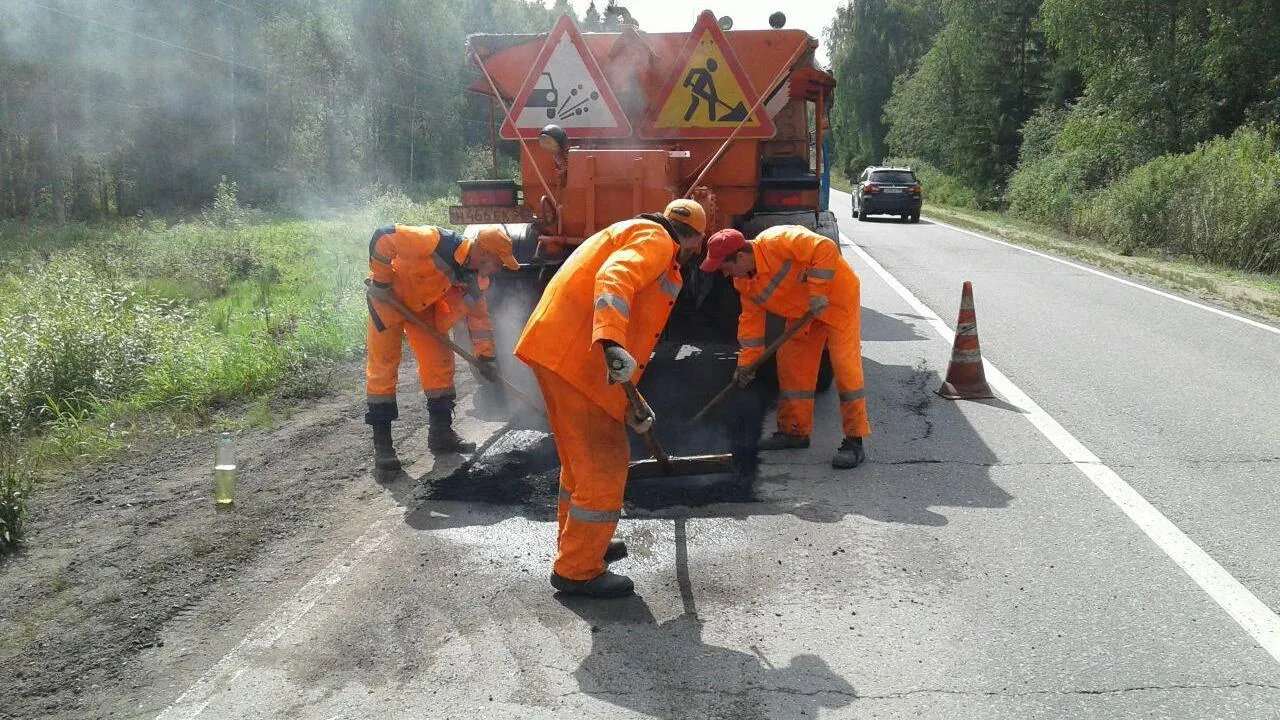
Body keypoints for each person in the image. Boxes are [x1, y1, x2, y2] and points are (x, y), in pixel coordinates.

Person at [514, 199, 707, 598]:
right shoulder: (656, 241)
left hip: (561, 351)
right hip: (578, 356)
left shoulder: (633, 230)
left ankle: (582, 545)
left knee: (580, 461)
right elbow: (614, 278)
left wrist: (628, 404)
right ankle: (578, 570)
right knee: (605, 463)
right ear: (695, 241)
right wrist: (611, 341)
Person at [700, 226, 870, 469]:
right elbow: (751, 328)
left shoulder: (779, 241)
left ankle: (855, 440)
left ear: (740, 256)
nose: (726, 275)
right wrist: (746, 365)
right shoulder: (744, 282)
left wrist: (818, 292)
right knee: (792, 366)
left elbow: (825, 247)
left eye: (726, 268)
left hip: (835, 300)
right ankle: (794, 431)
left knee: (845, 367)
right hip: (802, 313)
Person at [364, 224, 519, 472]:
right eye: (498, 263)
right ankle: (383, 448)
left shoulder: (476, 280)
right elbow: (383, 237)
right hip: (389, 300)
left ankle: (440, 434)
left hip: (424, 310)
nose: (499, 269)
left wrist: (486, 358)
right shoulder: (436, 241)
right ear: (484, 254)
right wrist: (381, 281)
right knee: (383, 370)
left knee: (441, 366)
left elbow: (479, 321)